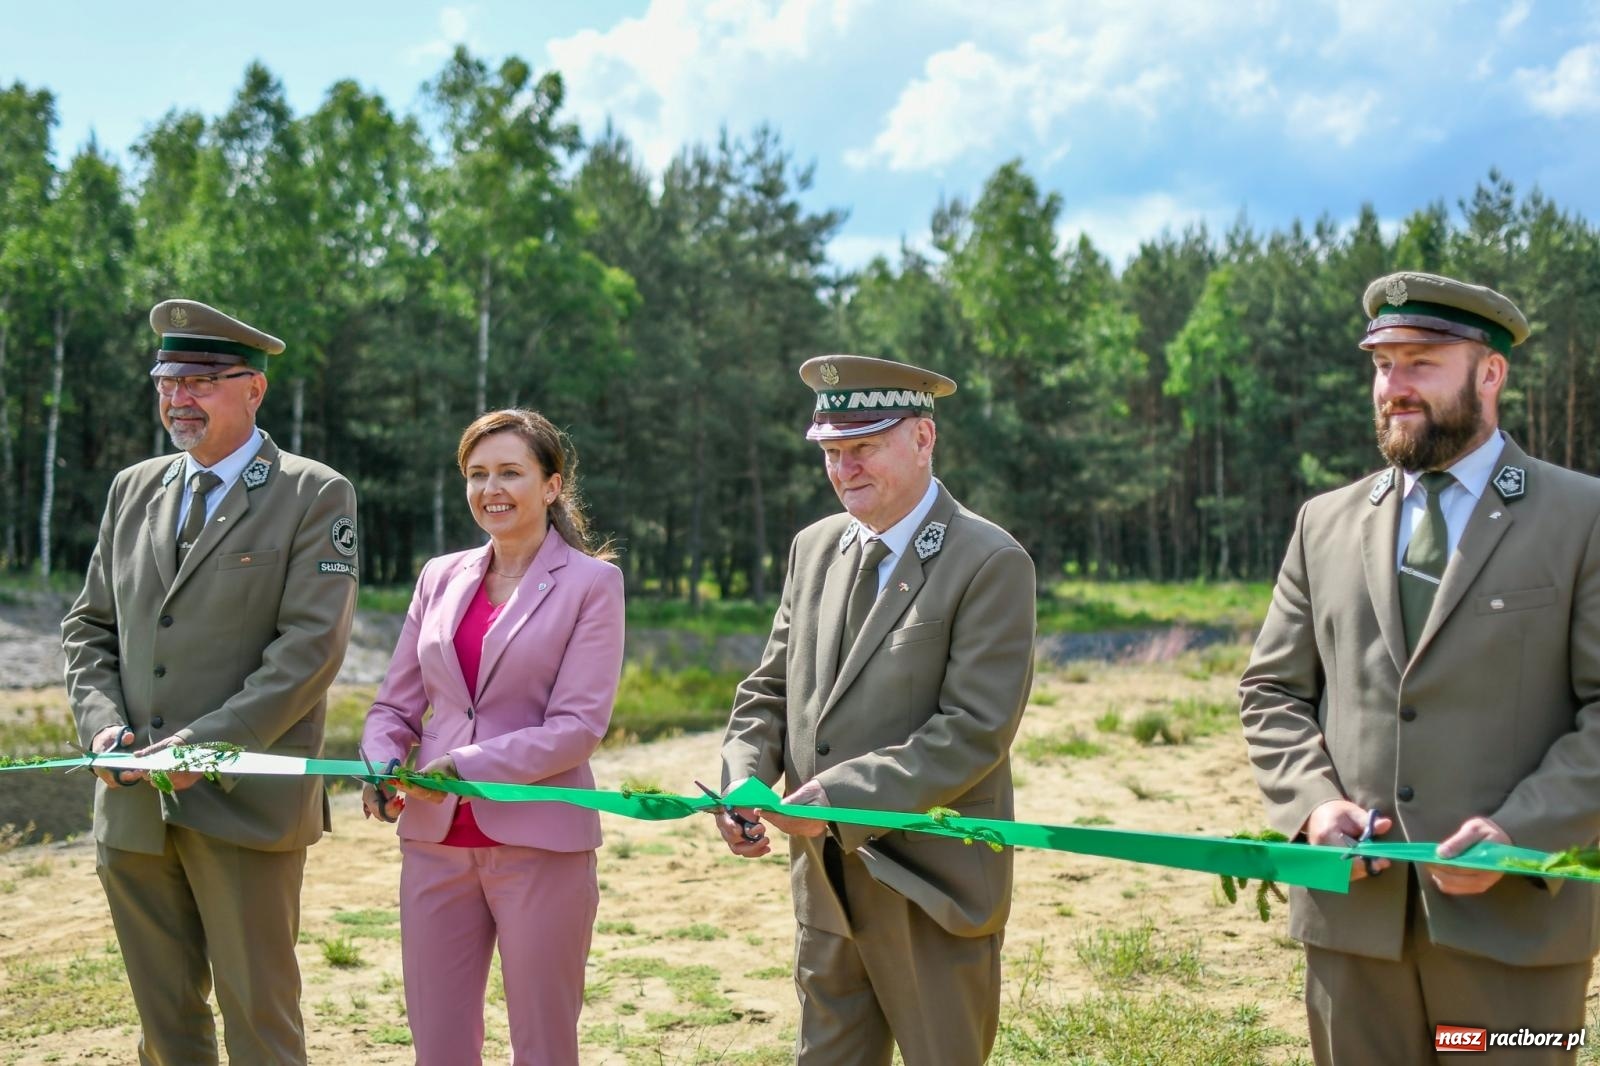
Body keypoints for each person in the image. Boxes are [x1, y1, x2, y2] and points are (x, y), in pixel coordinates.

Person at [1239, 272, 1600, 1065]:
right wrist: (1313, 805)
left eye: (1421, 363)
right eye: (1382, 365)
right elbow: (1272, 691)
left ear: (1490, 372)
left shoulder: (1583, 517)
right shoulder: (1323, 523)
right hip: (1353, 929)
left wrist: (1518, 834)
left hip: (1516, 934)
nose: (1393, 389)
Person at [715, 354, 1036, 1065]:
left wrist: (837, 798)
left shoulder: (989, 560)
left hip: (931, 888)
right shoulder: (814, 547)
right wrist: (742, 776)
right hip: (822, 881)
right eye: (831, 451)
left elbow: (973, 730)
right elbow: (770, 689)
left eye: (862, 447)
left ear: (923, 439)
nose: (843, 469)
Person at [61, 299, 359, 1065]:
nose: (177, 398)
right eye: (166, 380)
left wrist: (209, 748)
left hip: (243, 804)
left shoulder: (313, 494)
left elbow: (309, 650)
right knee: (165, 1031)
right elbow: (89, 628)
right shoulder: (133, 488)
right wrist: (99, 725)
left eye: (199, 380)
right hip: (130, 810)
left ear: (253, 389)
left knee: (260, 1023)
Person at [360, 408, 624, 1066]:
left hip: (540, 843)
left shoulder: (594, 583)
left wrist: (463, 765)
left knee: (542, 1043)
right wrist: (381, 765)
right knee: (438, 1045)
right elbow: (394, 705)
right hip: (433, 843)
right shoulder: (437, 577)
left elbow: (578, 727)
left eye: (510, 471)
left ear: (552, 485)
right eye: (476, 475)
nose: (491, 488)